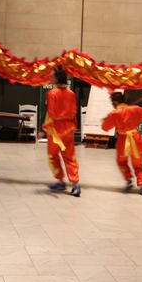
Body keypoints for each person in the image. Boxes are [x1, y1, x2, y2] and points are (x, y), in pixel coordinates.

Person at [102, 90, 142, 196]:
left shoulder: (114, 113)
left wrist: (105, 120)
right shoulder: (135, 109)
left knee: (121, 161)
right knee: (138, 163)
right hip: (135, 139)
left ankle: (128, 179)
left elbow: (105, 128)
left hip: (123, 139)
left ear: (114, 102)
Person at [41, 67, 80, 197]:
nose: (49, 77)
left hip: (56, 129)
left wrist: (43, 129)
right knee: (70, 157)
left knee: (52, 155)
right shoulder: (71, 93)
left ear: (57, 78)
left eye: (51, 76)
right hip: (68, 129)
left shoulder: (52, 93)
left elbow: (51, 113)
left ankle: (60, 180)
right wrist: (74, 127)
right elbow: (74, 113)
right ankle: (75, 185)